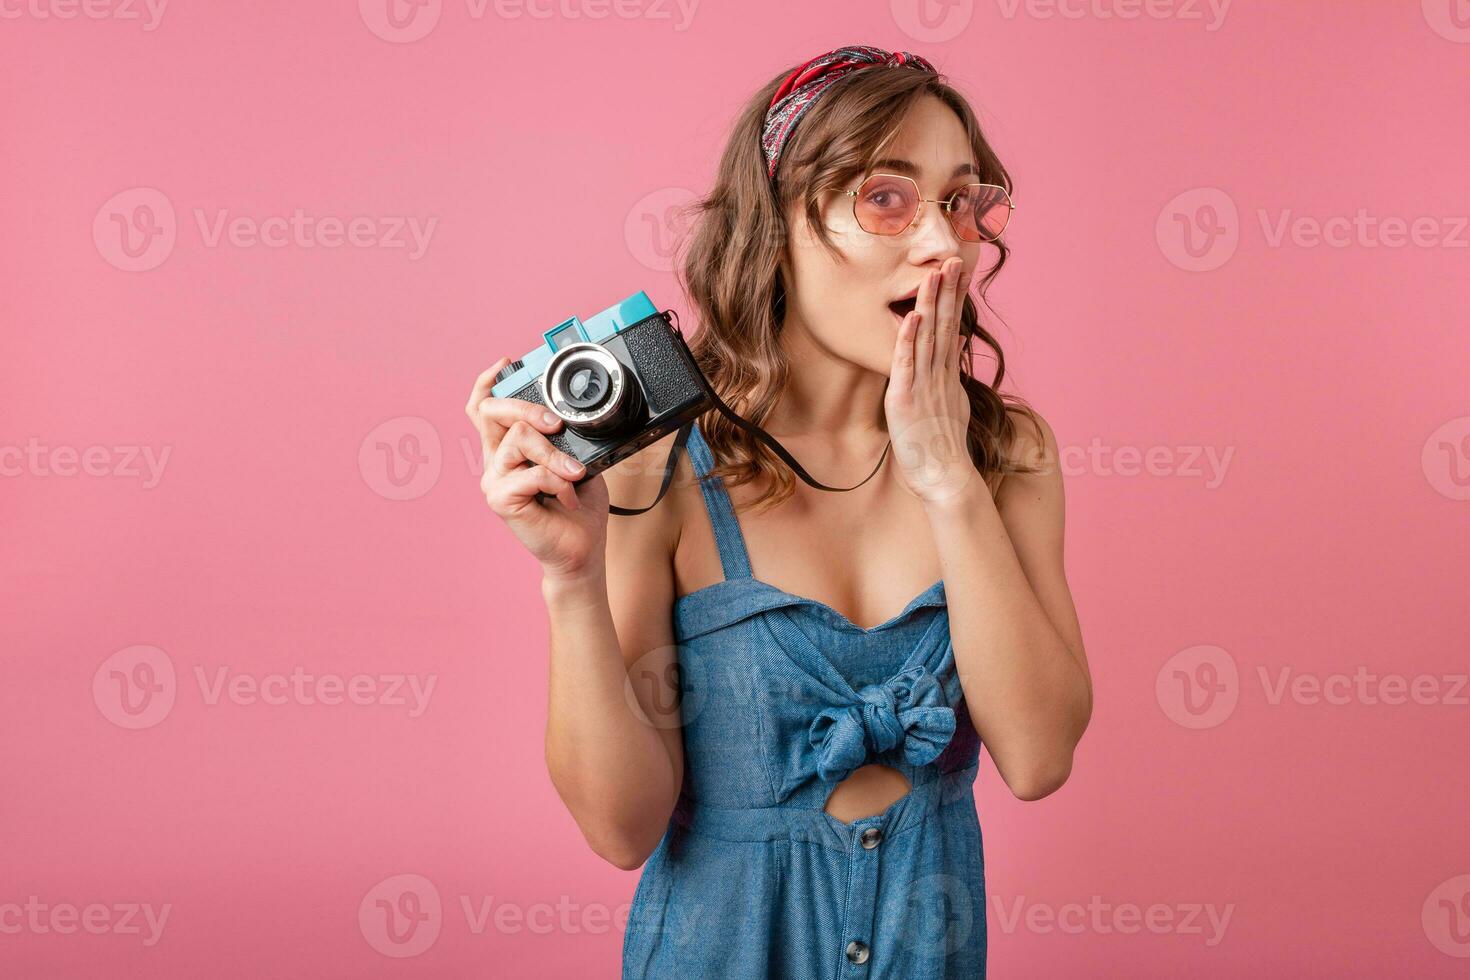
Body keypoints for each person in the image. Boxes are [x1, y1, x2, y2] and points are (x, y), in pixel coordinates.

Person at [466, 43, 1092, 980]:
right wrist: (571, 578)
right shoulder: (659, 471)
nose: (943, 245)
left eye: (961, 202)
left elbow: (1039, 759)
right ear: (779, 227)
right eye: (887, 197)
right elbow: (621, 828)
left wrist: (948, 480)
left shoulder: (1009, 456)